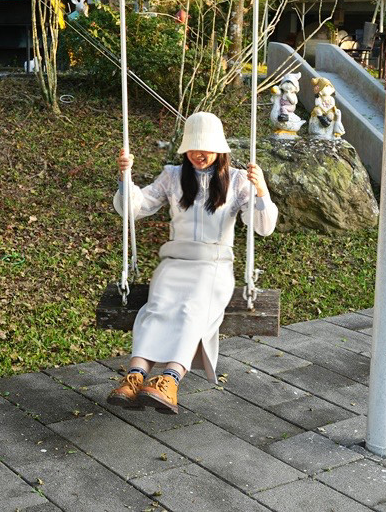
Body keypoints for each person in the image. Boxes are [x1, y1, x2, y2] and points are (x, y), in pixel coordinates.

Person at [108, 112, 278, 414]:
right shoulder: (172, 176)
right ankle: (135, 377)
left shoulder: (238, 181)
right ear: (185, 148)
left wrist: (261, 189)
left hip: (214, 265)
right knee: (156, 309)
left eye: (207, 147)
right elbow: (135, 207)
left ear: (220, 149)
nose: (200, 154)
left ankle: (170, 380)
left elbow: (263, 226)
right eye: (194, 147)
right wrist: (126, 178)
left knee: (191, 310)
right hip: (175, 262)